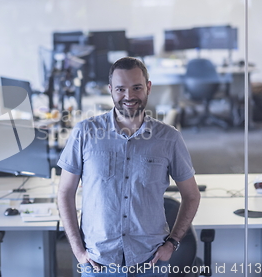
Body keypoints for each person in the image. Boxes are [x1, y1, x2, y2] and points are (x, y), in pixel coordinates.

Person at [57, 57, 201, 276]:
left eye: (136, 88)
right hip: (98, 263)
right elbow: (65, 193)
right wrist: (78, 251)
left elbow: (191, 195)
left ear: (148, 88)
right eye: (120, 89)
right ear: (110, 90)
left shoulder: (169, 138)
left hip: (150, 262)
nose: (129, 96)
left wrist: (172, 243)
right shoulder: (85, 133)